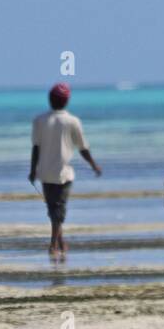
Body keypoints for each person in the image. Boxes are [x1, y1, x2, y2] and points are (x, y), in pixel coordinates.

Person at [29, 82, 101, 261]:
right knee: (58, 209)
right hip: (63, 173)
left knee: (53, 209)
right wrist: (93, 165)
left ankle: (60, 243)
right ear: (66, 101)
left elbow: (35, 148)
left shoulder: (39, 120)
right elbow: (83, 148)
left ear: (50, 100)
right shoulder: (73, 121)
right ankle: (53, 245)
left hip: (45, 173)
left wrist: (33, 170)